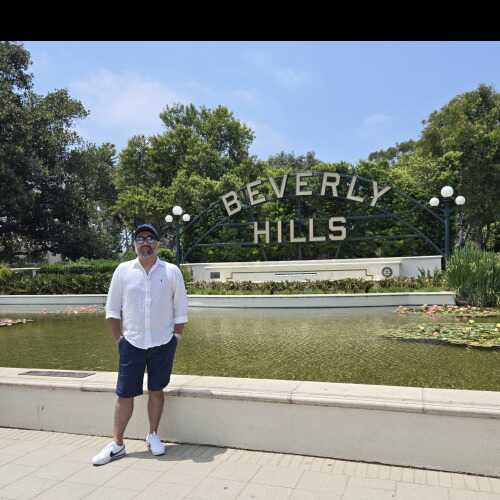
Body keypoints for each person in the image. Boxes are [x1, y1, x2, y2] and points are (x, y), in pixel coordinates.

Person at [92, 223, 188, 466]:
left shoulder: (171, 271)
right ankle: (117, 444)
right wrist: (119, 340)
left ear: (158, 243)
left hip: (162, 343)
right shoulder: (123, 271)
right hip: (131, 343)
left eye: (150, 238)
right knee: (124, 394)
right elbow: (112, 310)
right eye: (140, 238)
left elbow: (181, 310)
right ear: (134, 244)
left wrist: (176, 339)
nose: (145, 242)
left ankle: (153, 435)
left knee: (156, 390)